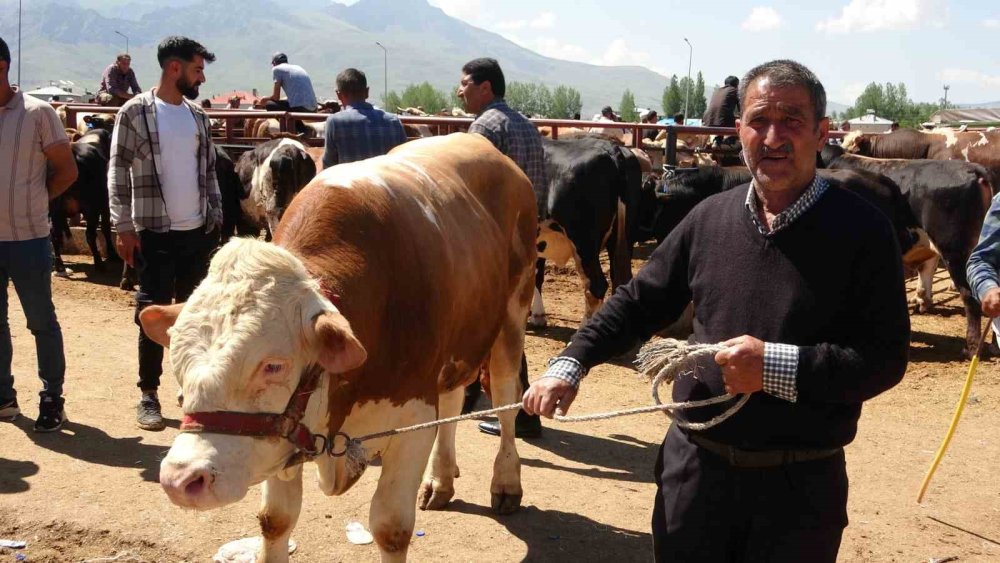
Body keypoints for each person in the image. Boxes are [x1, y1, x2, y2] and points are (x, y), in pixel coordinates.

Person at [523, 59, 909, 562]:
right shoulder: (709, 219)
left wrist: (774, 367)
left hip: (798, 487)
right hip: (695, 475)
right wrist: (570, 364)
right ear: (738, 130)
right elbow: (638, 303)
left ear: (822, 132)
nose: (773, 136)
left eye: (792, 120)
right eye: (758, 120)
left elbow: (883, 358)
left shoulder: (863, 231)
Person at [108, 36, 223, 431]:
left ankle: (194, 390)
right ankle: (148, 394)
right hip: (154, 232)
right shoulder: (135, 112)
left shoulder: (197, 116)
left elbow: (208, 171)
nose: (202, 77)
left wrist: (215, 215)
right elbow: (117, 169)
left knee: (197, 314)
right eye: (197, 69)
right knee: (152, 312)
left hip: (197, 232)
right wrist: (122, 225)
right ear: (175, 68)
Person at [456, 57, 546, 439]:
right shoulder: (525, 125)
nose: (460, 91)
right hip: (525, 238)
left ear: (485, 87)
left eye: (465, 84)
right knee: (513, 324)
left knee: (497, 326)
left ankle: (519, 412)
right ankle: (498, 400)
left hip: (492, 241)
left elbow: (473, 191)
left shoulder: (484, 128)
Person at [0, 35, 78, 431]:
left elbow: (67, 170)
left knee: (40, 320)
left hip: (28, 238)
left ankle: (52, 396)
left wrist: (36, 199)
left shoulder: (38, 113)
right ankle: (3, 396)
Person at [321, 68, 406, 167]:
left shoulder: (334, 122)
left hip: (350, 181)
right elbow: (403, 161)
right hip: (388, 180)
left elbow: (329, 165)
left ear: (338, 95)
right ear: (367, 92)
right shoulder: (394, 121)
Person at [704, 75, 740, 146]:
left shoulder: (718, 90)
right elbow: (741, 108)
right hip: (721, 121)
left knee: (724, 117)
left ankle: (718, 140)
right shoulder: (734, 90)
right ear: (736, 84)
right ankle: (730, 142)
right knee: (738, 124)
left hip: (707, 120)